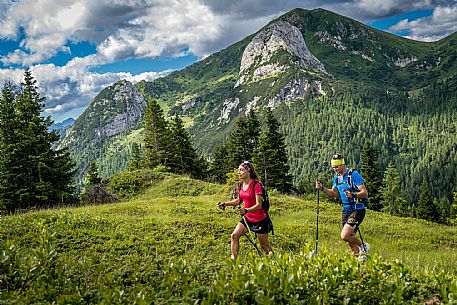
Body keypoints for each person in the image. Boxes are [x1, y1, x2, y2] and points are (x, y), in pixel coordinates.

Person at [315, 153, 370, 258]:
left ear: (343, 164)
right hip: (346, 211)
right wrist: (322, 188)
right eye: (333, 167)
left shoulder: (353, 175)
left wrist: (353, 194)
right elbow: (333, 194)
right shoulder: (337, 178)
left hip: (357, 209)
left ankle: (363, 246)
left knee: (345, 235)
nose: (335, 169)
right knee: (350, 240)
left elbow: (364, 193)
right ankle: (359, 261)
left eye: (336, 167)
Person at [217, 161, 273, 261]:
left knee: (264, 246)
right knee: (234, 236)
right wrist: (225, 204)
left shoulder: (256, 185)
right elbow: (238, 201)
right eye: (238, 170)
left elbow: (259, 205)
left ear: (249, 171)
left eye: (241, 170)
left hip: (260, 219)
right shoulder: (241, 185)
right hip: (247, 218)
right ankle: (234, 261)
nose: (239, 172)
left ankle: (273, 262)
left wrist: (246, 210)